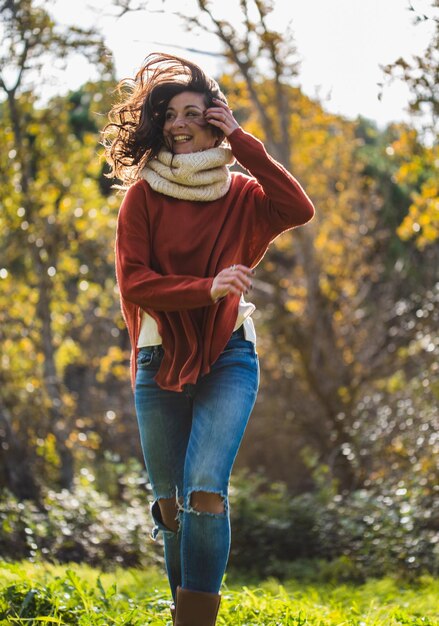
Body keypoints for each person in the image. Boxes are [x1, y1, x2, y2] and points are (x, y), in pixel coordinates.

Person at [103, 52, 315, 626]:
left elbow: (298, 207)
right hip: (157, 356)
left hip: (229, 355)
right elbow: (137, 282)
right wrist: (207, 286)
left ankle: (194, 622)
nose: (177, 122)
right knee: (171, 504)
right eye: (168, 114)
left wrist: (244, 141)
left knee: (203, 490)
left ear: (213, 118)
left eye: (192, 112)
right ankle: (183, 611)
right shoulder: (141, 198)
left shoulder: (243, 196)